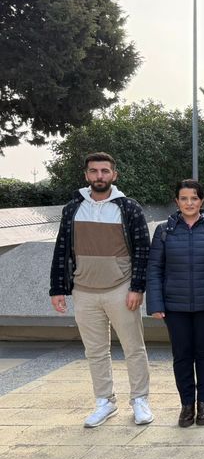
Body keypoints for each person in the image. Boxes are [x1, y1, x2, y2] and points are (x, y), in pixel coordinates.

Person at [49, 152, 153, 428]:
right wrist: (57, 288)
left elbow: (143, 250)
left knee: (134, 348)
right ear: (86, 175)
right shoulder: (72, 209)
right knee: (95, 351)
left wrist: (137, 287)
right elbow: (62, 249)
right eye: (94, 171)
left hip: (121, 289)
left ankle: (140, 400)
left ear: (114, 175)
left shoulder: (128, 208)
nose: (99, 176)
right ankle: (104, 402)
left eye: (105, 171)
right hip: (84, 291)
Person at [146, 179, 204, 427]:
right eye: (184, 198)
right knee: (182, 355)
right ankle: (187, 405)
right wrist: (155, 303)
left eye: (194, 198)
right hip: (175, 306)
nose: (189, 203)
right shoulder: (164, 231)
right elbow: (155, 269)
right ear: (177, 201)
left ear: (201, 201)